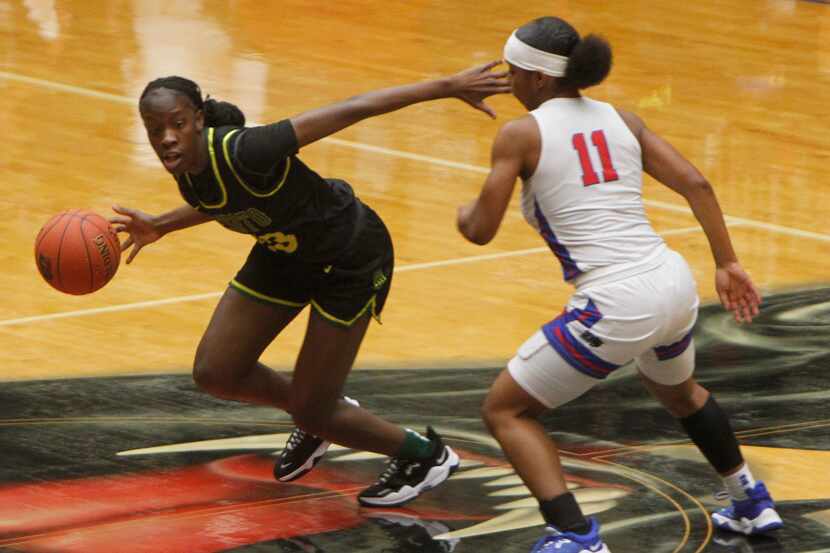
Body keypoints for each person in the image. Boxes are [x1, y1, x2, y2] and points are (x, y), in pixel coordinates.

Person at [112, 63, 511, 507]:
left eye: (177, 124)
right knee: (216, 371)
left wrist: (447, 85)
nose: (166, 137)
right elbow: (223, 199)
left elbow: (352, 108)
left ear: (200, 119)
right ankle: (320, 416)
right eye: (155, 129)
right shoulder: (187, 166)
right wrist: (162, 225)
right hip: (286, 251)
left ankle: (424, 456)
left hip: (350, 255)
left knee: (314, 408)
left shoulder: (247, 149)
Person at [456, 17, 783, 553]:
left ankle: (575, 535)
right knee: (680, 394)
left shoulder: (520, 133)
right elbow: (696, 183)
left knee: (505, 411)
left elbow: (480, 230)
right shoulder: (622, 119)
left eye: (514, 73)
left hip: (615, 300)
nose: (510, 83)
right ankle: (749, 499)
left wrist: (463, 213)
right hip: (672, 283)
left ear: (539, 79)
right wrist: (726, 263)